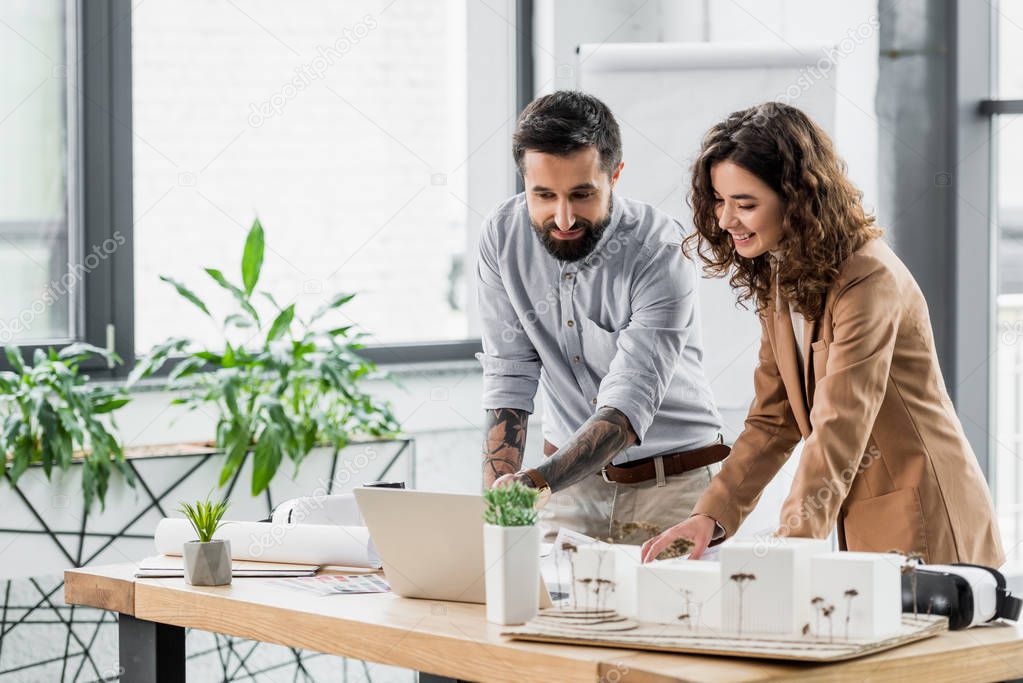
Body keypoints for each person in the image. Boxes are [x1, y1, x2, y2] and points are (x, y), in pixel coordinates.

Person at [641, 102, 1004, 566]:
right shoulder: (781, 273)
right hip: (863, 518)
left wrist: (788, 551)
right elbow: (773, 420)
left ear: (796, 200)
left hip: (926, 517)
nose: (726, 219)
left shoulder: (867, 277)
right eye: (719, 200)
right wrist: (710, 517)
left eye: (745, 204)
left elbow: (839, 427)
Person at [478, 91, 726, 545]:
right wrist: (497, 501)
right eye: (544, 195)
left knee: (671, 617)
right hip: (567, 489)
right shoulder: (501, 237)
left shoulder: (660, 249)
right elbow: (508, 371)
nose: (564, 217)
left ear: (615, 175)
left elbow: (627, 403)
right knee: (550, 615)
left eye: (582, 194)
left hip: (674, 489)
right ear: (524, 182)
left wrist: (534, 483)